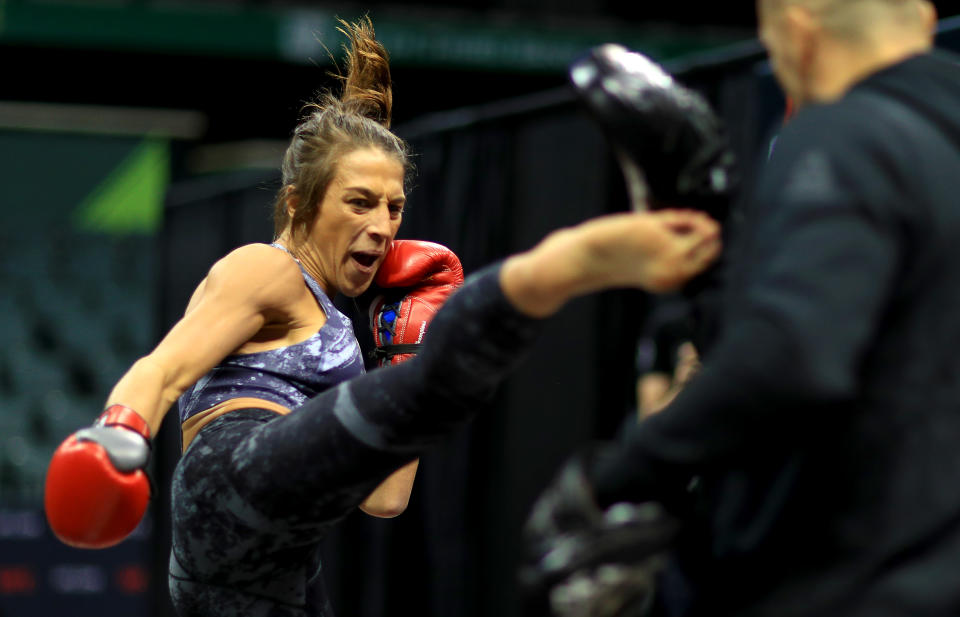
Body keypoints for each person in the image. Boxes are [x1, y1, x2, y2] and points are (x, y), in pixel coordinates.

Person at [43, 18, 722, 617]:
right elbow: (162, 369)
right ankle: (563, 265)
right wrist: (117, 430)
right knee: (440, 381)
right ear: (300, 203)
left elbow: (384, 500)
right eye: (360, 202)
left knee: (426, 389)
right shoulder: (265, 267)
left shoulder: (344, 321)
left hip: (267, 564)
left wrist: (406, 354)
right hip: (233, 483)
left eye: (393, 207)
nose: (381, 225)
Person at [527, 1, 960, 616]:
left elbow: (792, 357)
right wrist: (715, 266)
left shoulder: (844, 135)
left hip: (854, 581)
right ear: (920, 18)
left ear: (797, 26)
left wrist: (618, 477)